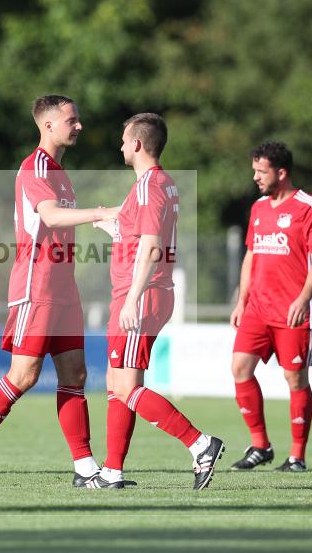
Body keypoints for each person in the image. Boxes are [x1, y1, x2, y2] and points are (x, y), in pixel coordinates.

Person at [0, 95, 116, 486]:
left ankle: (86, 470)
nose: (79, 126)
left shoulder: (59, 171)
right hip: (36, 286)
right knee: (24, 375)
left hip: (63, 289)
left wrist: (101, 223)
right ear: (49, 125)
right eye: (72, 120)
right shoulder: (35, 165)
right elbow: (52, 216)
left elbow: (61, 221)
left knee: (75, 373)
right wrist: (100, 213)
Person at [87, 113, 224, 490]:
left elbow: (150, 246)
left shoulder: (150, 186)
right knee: (118, 384)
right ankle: (111, 472)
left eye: (122, 139)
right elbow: (138, 233)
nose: (119, 146)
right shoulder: (154, 185)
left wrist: (133, 297)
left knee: (128, 388)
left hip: (141, 296)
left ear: (136, 144)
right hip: (137, 294)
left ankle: (201, 445)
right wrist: (109, 225)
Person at [229, 141, 312, 472]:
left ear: (282, 172)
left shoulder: (308, 206)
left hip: (292, 311)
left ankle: (297, 456)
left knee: (295, 379)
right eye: (255, 171)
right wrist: (241, 300)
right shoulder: (259, 208)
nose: (256, 178)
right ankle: (260, 446)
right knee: (239, 369)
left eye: (262, 172)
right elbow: (251, 255)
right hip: (257, 310)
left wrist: (304, 298)